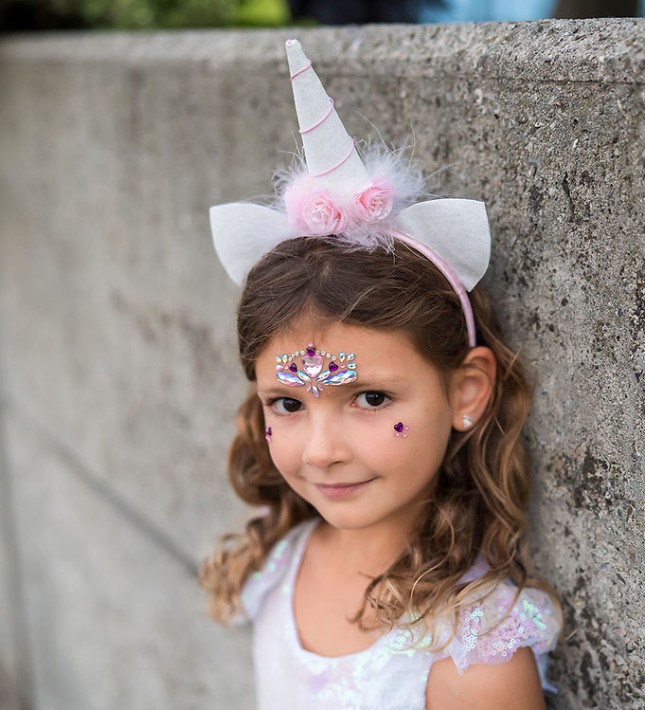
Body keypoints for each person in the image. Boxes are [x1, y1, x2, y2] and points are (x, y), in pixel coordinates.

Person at [200, 39, 562, 710]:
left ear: (465, 391)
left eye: (368, 397)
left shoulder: (470, 655)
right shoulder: (277, 567)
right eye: (286, 403)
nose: (321, 450)